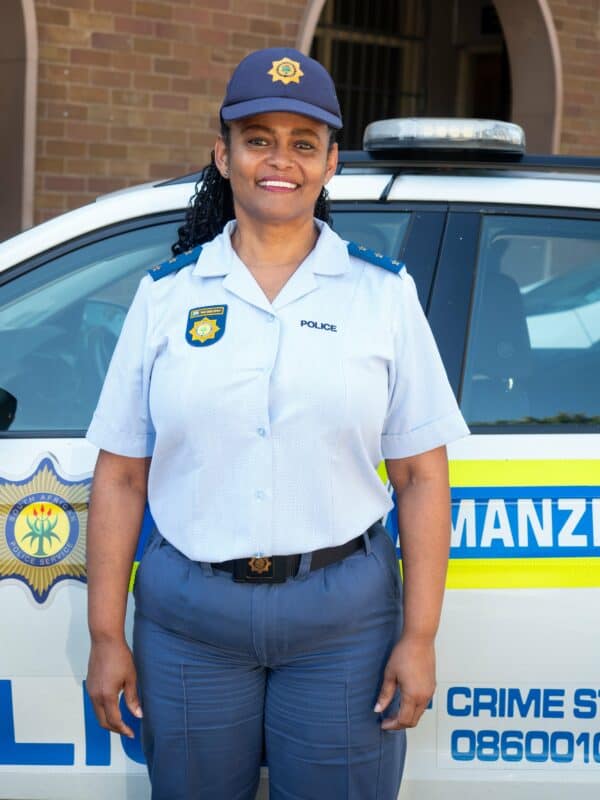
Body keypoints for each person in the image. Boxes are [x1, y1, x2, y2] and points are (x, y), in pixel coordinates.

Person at [85, 47, 469, 800]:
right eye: (258, 138)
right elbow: (123, 474)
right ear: (221, 154)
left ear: (330, 164)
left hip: (343, 626)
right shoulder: (165, 298)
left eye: (303, 143)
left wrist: (419, 638)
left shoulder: (382, 297)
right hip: (190, 621)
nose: (279, 160)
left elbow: (422, 476)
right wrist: (105, 637)